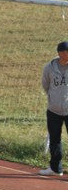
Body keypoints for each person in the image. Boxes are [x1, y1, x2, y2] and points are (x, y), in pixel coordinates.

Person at [39, 41, 68, 176]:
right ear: (60, 53)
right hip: (54, 110)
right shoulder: (49, 68)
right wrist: (53, 98)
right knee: (55, 140)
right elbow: (46, 85)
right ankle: (56, 168)